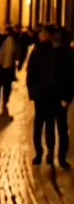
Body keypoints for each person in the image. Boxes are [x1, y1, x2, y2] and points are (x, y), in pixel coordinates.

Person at [27, 26, 74, 168]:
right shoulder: (40, 52)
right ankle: (44, 153)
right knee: (43, 126)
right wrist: (35, 94)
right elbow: (32, 75)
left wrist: (67, 97)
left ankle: (58, 156)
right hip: (44, 96)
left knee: (60, 128)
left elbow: (70, 77)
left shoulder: (67, 54)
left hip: (58, 97)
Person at [0, 27, 18, 116]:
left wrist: (5, 66)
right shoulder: (9, 39)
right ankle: (2, 103)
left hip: (1, 67)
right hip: (4, 67)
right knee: (5, 87)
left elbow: (8, 54)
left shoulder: (6, 39)